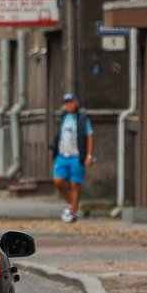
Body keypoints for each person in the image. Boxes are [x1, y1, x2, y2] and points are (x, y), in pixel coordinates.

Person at [50, 92, 94, 222]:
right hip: (62, 155)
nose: (69, 105)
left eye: (71, 102)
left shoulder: (82, 118)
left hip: (76, 156)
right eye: (66, 102)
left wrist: (89, 155)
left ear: (76, 103)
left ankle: (72, 211)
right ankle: (72, 203)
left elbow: (90, 136)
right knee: (58, 181)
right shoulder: (63, 117)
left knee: (75, 183)